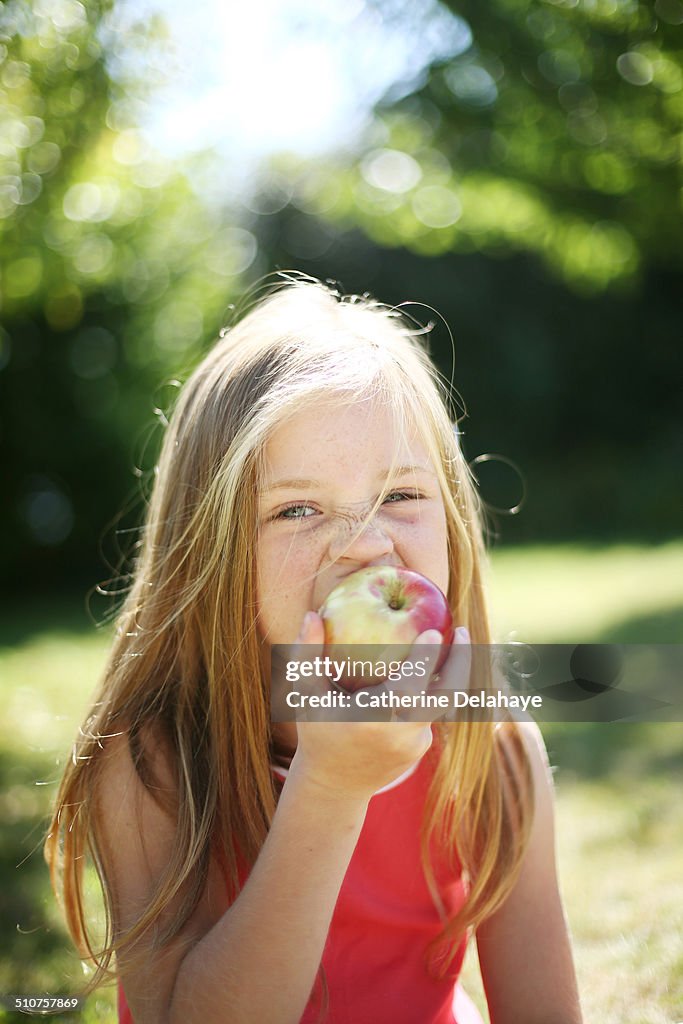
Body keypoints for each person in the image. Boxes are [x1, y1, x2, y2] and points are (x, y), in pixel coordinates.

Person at [45, 276, 583, 1024]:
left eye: (400, 496)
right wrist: (329, 790)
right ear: (210, 553)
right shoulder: (149, 763)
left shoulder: (491, 749)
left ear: (453, 518)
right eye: (297, 509)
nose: (365, 545)